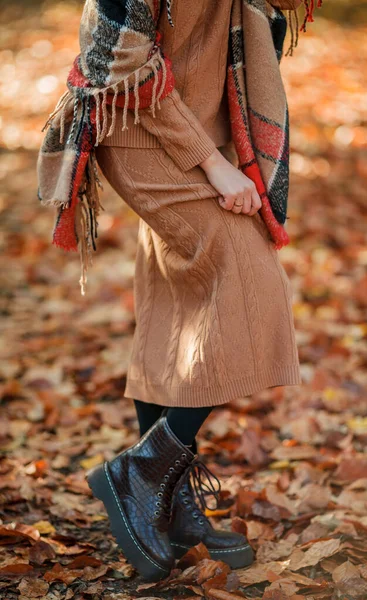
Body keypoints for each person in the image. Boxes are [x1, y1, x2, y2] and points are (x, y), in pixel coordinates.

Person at [38, 0, 305, 583]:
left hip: (198, 116)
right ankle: (143, 472)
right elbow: (123, 62)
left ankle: (166, 505)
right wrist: (212, 164)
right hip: (137, 125)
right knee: (250, 280)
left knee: (178, 297)